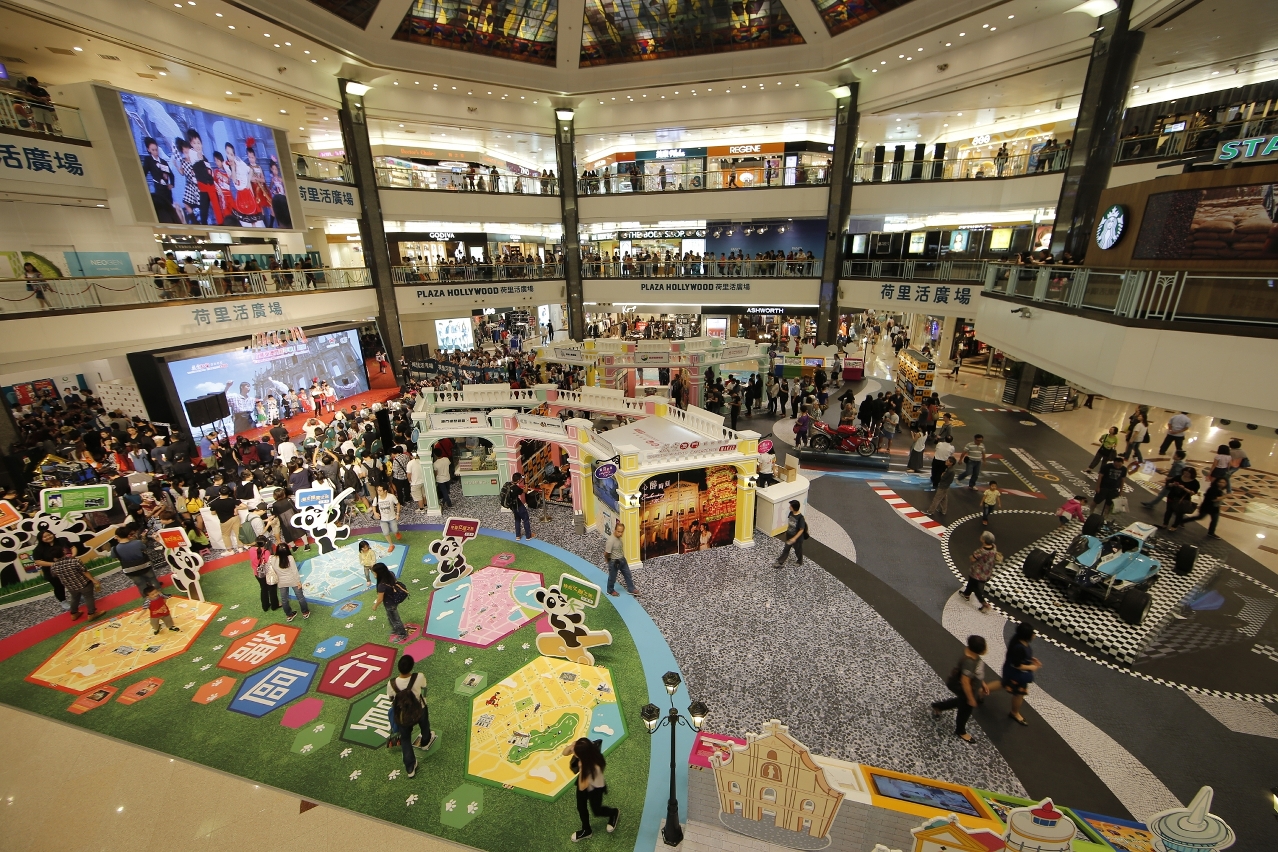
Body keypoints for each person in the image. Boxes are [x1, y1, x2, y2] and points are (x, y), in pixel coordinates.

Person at [930, 634, 992, 742]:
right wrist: (971, 698)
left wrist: (982, 683)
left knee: (960, 702)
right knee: (965, 710)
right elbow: (965, 681)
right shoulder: (969, 662)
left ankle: (938, 706)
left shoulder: (973, 656)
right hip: (967, 691)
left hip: (971, 689)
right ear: (980, 650)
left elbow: (976, 673)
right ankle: (960, 730)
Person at [387, 654, 435, 778]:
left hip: (403, 716)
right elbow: (424, 688)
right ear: (412, 666)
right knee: (424, 725)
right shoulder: (419, 677)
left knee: (405, 739)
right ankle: (425, 742)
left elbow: (391, 699)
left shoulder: (391, 684)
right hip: (420, 709)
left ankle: (410, 767)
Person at [563, 737, 619, 841]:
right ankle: (586, 830)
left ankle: (614, 812)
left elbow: (582, 786)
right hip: (584, 781)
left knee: (597, 811)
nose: (573, 752)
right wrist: (571, 746)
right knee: (581, 807)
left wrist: (581, 765)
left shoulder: (591, 767)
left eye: (575, 752)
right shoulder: (588, 749)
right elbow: (564, 753)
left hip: (595, 788)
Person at [1002, 623, 1040, 726]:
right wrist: (1031, 667)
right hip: (1016, 675)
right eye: (1032, 633)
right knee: (1019, 694)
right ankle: (1014, 713)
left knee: (1003, 684)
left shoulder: (1019, 642)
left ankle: (983, 691)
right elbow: (1018, 665)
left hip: (1013, 672)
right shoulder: (1019, 647)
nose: (1034, 634)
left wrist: (1029, 660)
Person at [52, 545, 101, 621]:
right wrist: (93, 580)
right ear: (64, 551)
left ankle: (74, 613)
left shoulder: (54, 566)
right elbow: (85, 572)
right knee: (89, 597)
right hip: (84, 583)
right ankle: (91, 613)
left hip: (70, 586)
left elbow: (54, 575)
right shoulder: (74, 561)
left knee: (74, 598)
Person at [113, 524, 162, 598]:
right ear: (128, 534)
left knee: (141, 584)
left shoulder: (114, 549)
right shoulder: (137, 543)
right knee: (152, 579)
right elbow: (144, 547)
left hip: (130, 570)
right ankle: (159, 594)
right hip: (144, 565)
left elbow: (114, 556)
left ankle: (147, 599)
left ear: (117, 536)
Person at [29, 529, 69, 610]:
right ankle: (63, 601)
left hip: (67, 566)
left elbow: (72, 548)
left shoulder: (62, 540)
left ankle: (79, 595)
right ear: (41, 539)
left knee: (72, 581)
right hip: (51, 571)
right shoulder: (38, 549)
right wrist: (53, 564)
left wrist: (72, 556)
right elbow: (38, 561)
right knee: (58, 586)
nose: (48, 537)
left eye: (49, 534)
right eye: (45, 537)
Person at [371, 561, 411, 643]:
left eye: (374, 573)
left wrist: (375, 606)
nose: (374, 575)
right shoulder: (390, 574)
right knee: (391, 617)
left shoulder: (381, 585)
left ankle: (402, 634)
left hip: (390, 604)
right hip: (394, 599)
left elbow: (380, 599)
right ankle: (395, 629)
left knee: (395, 619)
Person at [963, 531, 1000, 612]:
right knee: (971, 581)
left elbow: (972, 559)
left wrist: (971, 557)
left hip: (977, 572)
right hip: (987, 571)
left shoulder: (981, 551)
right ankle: (966, 594)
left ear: (983, 540)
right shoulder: (994, 547)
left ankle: (984, 604)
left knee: (976, 588)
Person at [273, 542, 309, 622]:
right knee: (300, 597)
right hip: (293, 580)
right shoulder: (290, 558)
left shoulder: (273, 559)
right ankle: (305, 612)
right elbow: (294, 571)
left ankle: (289, 615)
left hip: (281, 581)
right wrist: (298, 582)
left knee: (284, 600)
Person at [604, 522, 637, 598]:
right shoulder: (611, 541)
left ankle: (631, 589)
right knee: (612, 577)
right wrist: (607, 559)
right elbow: (606, 553)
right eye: (618, 531)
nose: (620, 534)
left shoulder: (619, 539)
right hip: (614, 561)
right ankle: (610, 590)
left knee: (628, 574)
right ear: (615, 530)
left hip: (622, 560)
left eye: (621, 532)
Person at [1162, 467, 1200, 531]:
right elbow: (1168, 484)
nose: (1185, 474)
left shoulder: (1195, 482)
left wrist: (1184, 488)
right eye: (1184, 473)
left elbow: (1193, 493)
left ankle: (1175, 526)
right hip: (1172, 496)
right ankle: (1165, 523)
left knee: (1179, 513)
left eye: (1188, 474)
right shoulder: (1178, 477)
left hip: (1183, 499)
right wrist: (1173, 484)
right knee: (1168, 511)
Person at [773, 500, 808, 568]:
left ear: (794, 507)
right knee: (786, 548)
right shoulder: (791, 513)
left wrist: (794, 538)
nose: (789, 507)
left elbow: (801, 530)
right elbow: (790, 523)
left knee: (798, 550)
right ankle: (780, 562)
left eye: (790, 506)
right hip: (789, 535)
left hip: (797, 538)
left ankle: (799, 561)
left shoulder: (800, 518)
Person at [249, 535, 280, 612]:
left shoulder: (251, 550)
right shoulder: (266, 552)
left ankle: (265, 606)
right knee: (272, 589)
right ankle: (274, 605)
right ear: (265, 542)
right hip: (267, 573)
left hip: (257, 573)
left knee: (263, 589)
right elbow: (270, 563)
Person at [374, 484, 401, 550]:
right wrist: (375, 512)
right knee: (385, 532)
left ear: (385, 491)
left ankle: (396, 533)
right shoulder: (377, 498)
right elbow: (373, 506)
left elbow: (398, 504)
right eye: (377, 490)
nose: (378, 492)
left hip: (392, 518)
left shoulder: (391, 497)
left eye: (380, 490)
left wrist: (397, 514)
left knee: (395, 530)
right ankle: (391, 545)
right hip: (382, 519)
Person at [509, 472, 534, 540]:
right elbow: (525, 491)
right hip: (519, 506)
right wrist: (526, 482)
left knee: (517, 520)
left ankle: (518, 536)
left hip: (512, 506)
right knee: (525, 519)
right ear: (518, 480)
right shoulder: (516, 488)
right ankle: (528, 536)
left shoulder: (508, 484)